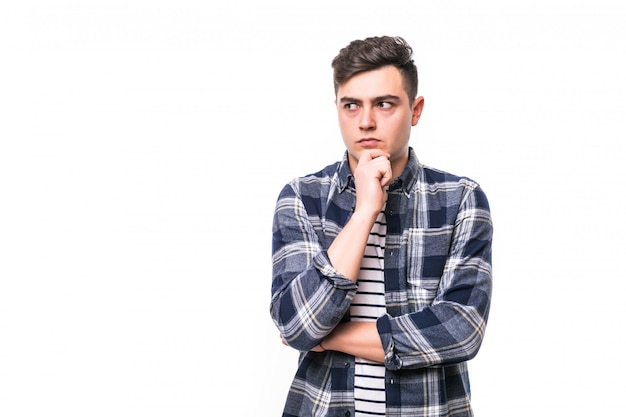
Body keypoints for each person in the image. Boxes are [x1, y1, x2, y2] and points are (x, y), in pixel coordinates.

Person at [270, 35, 493, 417]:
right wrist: (364, 211)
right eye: (351, 105)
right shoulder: (302, 198)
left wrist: (330, 337)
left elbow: (460, 329)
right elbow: (296, 324)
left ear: (416, 110)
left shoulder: (461, 199)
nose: (366, 121)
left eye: (384, 104)